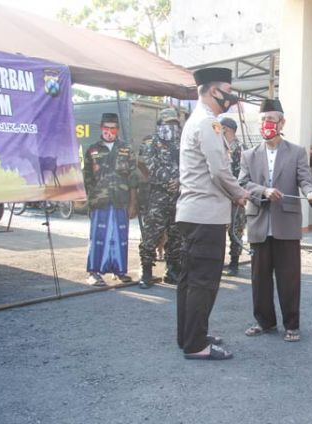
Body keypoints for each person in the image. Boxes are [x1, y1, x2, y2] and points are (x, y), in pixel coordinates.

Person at [175, 67, 250, 360]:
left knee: (190, 281)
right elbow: (219, 170)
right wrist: (240, 193)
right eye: (227, 90)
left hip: (194, 213)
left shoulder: (198, 121)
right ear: (211, 90)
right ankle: (196, 346)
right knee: (203, 282)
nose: (230, 96)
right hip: (205, 215)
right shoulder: (208, 124)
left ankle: (189, 336)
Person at [238, 99, 312, 342]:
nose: (266, 124)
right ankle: (264, 322)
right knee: (259, 278)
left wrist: (311, 193)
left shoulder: (296, 152)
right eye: (263, 120)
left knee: (289, 278)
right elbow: (242, 183)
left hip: (286, 225)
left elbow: (305, 179)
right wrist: (263, 191)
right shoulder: (248, 154)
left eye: (271, 120)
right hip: (259, 224)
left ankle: (292, 324)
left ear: (282, 122)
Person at [83, 113, 138, 286]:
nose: (109, 131)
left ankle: (120, 271)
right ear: (101, 128)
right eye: (106, 127)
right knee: (97, 236)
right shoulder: (93, 149)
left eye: (113, 128)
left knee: (121, 237)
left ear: (118, 129)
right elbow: (87, 178)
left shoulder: (126, 149)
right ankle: (93, 272)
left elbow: (133, 179)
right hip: (100, 202)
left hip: (121, 201)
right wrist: (90, 201)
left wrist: (133, 203)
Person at [138, 108, 183, 289]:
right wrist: (170, 182)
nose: (171, 127)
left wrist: (180, 181)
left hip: (179, 195)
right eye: (167, 124)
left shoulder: (181, 143)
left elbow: (189, 164)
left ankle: (172, 270)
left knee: (176, 234)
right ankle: (146, 271)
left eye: (174, 124)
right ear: (160, 125)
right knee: (151, 234)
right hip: (158, 195)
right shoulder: (150, 142)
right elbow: (150, 165)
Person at [220, 116, 247, 276]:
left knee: (235, 232)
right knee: (218, 232)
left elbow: (245, 175)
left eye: (221, 128)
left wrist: (238, 194)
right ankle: (218, 263)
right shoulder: (221, 147)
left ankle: (234, 263)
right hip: (220, 198)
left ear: (227, 129)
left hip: (236, 199)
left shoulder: (240, 148)